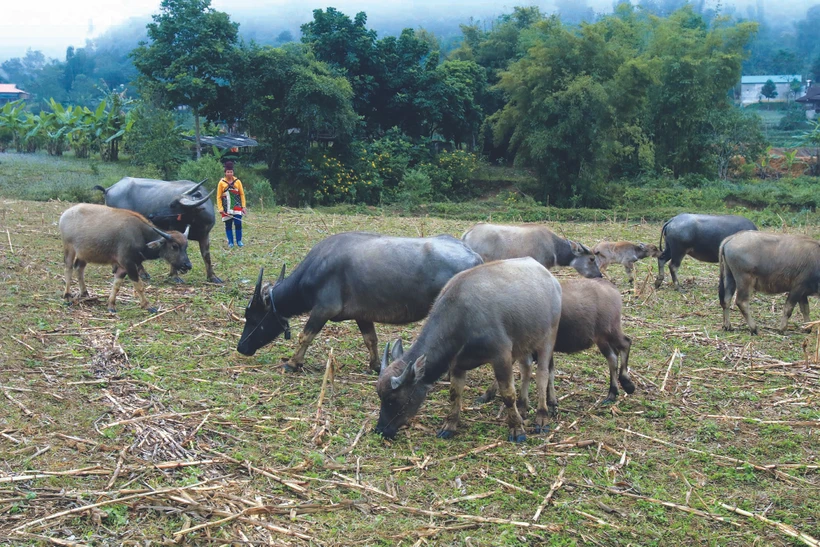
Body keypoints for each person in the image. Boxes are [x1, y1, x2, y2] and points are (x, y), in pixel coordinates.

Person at [217, 161, 246, 247]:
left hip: (236, 206)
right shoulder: (221, 182)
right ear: (225, 172)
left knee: (238, 223)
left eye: (231, 172)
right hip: (226, 206)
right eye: (227, 172)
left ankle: (239, 241)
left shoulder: (238, 182)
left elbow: (242, 194)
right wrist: (220, 208)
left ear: (233, 172)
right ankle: (230, 242)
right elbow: (218, 196)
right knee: (228, 224)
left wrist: (243, 206)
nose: (229, 173)